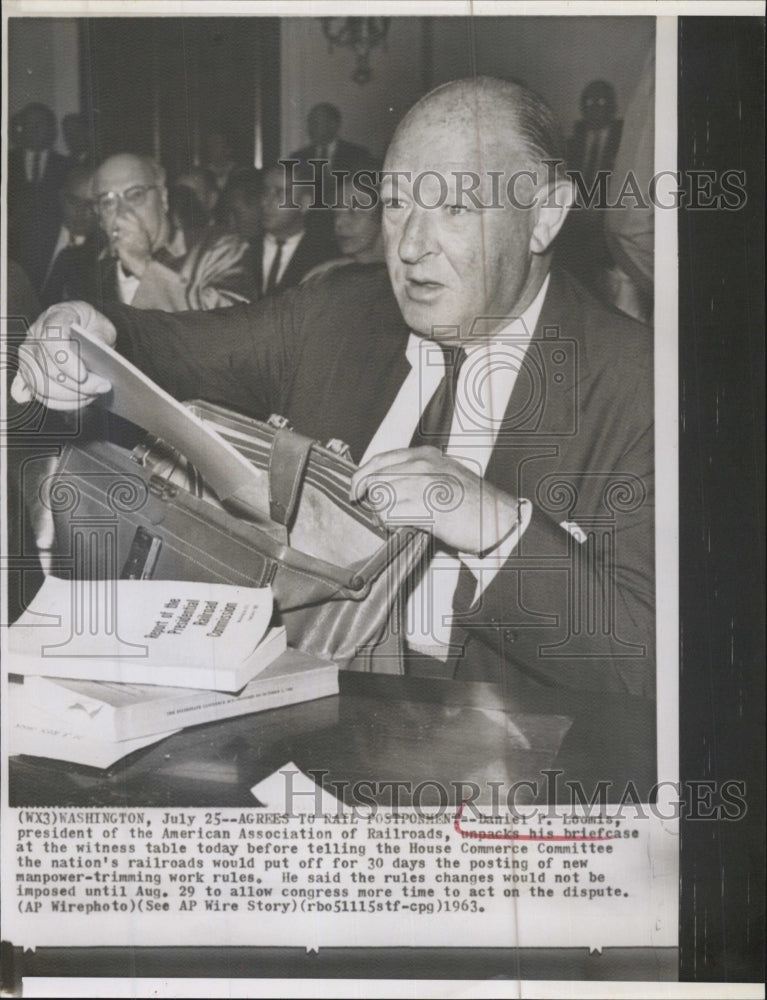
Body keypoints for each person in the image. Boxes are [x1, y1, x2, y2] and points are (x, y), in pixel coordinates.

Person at [13, 78, 655, 783]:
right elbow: (169, 343)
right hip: (297, 743)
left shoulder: (638, 385)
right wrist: (88, 327)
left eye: (451, 207)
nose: (409, 246)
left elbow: (649, 664)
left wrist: (500, 530)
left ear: (544, 215)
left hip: (513, 787)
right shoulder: (339, 313)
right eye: (395, 204)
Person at [88, 153, 257, 310]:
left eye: (135, 195)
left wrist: (143, 266)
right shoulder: (92, 272)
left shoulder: (220, 248)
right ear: (100, 218)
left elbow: (231, 325)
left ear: (163, 198)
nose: (123, 212)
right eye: (107, 202)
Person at [7, 103, 71, 293]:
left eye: (39, 124)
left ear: (51, 130)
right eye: (28, 124)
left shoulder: (66, 166)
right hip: (12, 252)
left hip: (51, 253)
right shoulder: (6, 161)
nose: (33, 129)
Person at [254, 162, 336, 296]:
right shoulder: (242, 250)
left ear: (304, 203)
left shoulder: (325, 257)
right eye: (264, 192)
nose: (265, 202)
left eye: (280, 193)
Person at [301, 167, 385, 283]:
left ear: (385, 213)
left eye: (354, 210)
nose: (339, 223)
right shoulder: (322, 277)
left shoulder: (405, 277)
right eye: (336, 212)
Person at [40, 165, 103, 308]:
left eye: (90, 204)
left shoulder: (105, 251)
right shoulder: (35, 236)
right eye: (74, 202)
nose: (80, 212)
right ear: (61, 197)